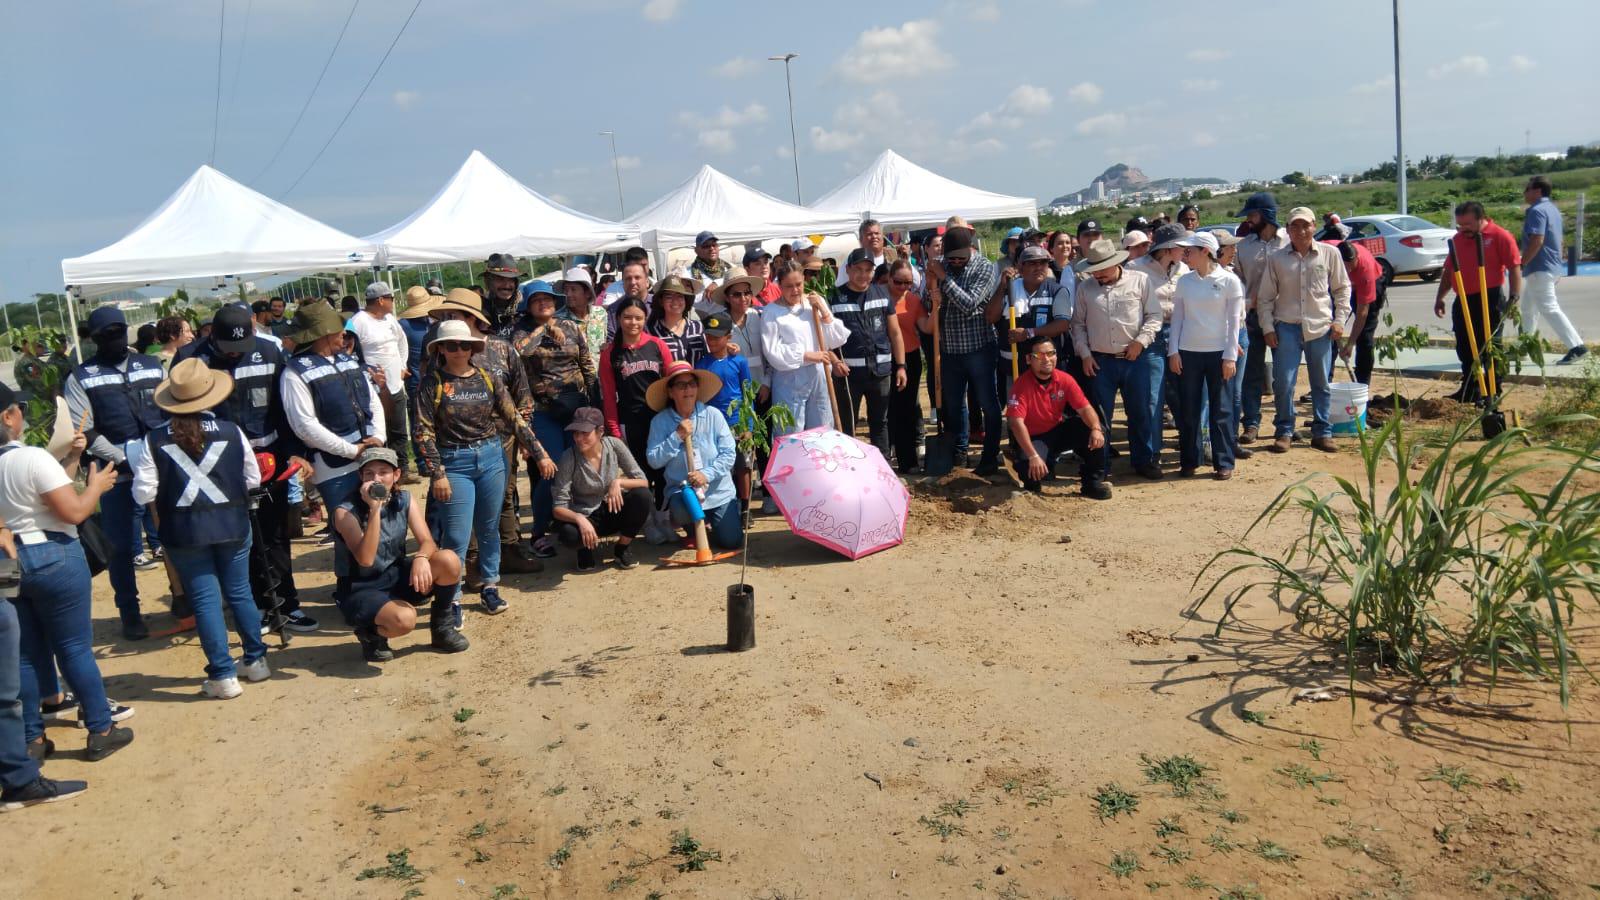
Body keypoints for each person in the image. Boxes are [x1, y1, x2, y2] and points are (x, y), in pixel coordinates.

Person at [0, 381, 135, 765]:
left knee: (25, 654)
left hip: (8, 558)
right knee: (74, 648)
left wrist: (72, 458)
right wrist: (97, 486)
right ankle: (101, 729)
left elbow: (42, 497)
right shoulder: (31, 458)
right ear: (9, 417)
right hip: (52, 554)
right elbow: (73, 511)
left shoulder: (20, 460)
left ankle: (33, 738)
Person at [131, 360, 270, 699]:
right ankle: (256, 660)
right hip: (233, 524)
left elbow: (143, 492)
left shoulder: (154, 439)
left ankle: (222, 675)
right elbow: (252, 478)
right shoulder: (231, 430)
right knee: (240, 591)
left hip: (184, 532)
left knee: (206, 600)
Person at [176, 305, 317, 634]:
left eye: (243, 347)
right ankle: (257, 606)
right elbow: (182, 415)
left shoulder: (270, 350)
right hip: (220, 463)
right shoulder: (190, 359)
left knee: (277, 532)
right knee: (240, 537)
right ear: (212, 336)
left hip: (269, 455)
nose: (236, 354)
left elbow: (286, 408)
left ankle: (287, 603)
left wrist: (295, 453)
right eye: (229, 349)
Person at [415, 321, 548, 617]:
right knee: (457, 535)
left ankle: (490, 585)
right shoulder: (432, 382)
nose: (459, 351)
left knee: (489, 529)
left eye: (465, 345)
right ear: (441, 349)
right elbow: (423, 430)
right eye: (451, 345)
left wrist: (540, 453)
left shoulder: (487, 377)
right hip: (454, 463)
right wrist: (437, 473)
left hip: (491, 457)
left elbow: (513, 417)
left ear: (473, 347)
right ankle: (452, 597)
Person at [64, 307, 167, 640]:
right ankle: (130, 612)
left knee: (176, 537)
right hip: (115, 476)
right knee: (121, 548)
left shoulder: (152, 366)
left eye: (119, 331)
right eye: (107, 335)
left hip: (161, 468)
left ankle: (187, 601)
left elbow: (171, 408)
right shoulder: (82, 376)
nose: (115, 339)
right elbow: (86, 430)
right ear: (94, 339)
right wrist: (127, 457)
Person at [280, 300, 386, 618]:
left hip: (370, 454)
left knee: (375, 520)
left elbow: (373, 401)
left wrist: (377, 438)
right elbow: (304, 425)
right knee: (347, 527)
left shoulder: (349, 361)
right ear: (323, 333)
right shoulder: (294, 373)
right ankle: (350, 589)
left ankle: (376, 584)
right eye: (338, 329)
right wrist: (351, 450)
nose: (345, 333)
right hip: (335, 464)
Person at [430, 289, 541, 575]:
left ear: (471, 318)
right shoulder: (439, 353)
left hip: (502, 439)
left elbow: (523, 396)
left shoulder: (502, 348)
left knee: (503, 498)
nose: (446, 319)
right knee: (466, 503)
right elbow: (427, 407)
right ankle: (472, 563)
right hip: (456, 444)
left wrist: (523, 436)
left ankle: (508, 551)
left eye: (452, 315)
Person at [333, 447, 465, 661]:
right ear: (361, 477)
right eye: (369, 473)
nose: (376, 478)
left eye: (383, 472)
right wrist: (374, 509)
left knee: (448, 560)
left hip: (395, 574)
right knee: (405, 619)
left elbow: (427, 541)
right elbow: (365, 560)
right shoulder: (345, 512)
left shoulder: (404, 499)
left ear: (396, 475)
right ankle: (370, 635)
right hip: (361, 586)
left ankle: (442, 628)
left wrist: (421, 558)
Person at [509, 281, 593, 561]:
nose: (543, 303)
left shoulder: (572, 327)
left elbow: (586, 363)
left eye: (547, 299)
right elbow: (519, 352)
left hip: (576, 408)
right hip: (544, 412)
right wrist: (544, 329)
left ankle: (575, 522)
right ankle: (539, 533)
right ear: (529, 305)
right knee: (551, 468)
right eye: (537, 300)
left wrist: (594, 400)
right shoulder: (521, 331)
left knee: (579, 466)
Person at [1260, 207, 1352, 452]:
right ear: (1288, 229)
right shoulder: (1277, 259)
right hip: (1287, 327)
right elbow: (1265, 297)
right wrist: (1267, 327)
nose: (1300, 231)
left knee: (1321, 383)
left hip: (1320, 327)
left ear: (1313, 226)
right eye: (1295, 226)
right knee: (1283, 383)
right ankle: (1284, 431)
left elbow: (1342, 289)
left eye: (1305, 225)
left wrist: (1340, 320)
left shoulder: (1329, 254)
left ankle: (1322, 431)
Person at [1070, 239, 1163, 480]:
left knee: (1140, 412)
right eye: (1094, 270)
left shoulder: (1140, 281)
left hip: (1135, 358)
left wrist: (1140, 342)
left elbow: (1154, 316)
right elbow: (1077, 325)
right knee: (1101, 417)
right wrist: (1085, 354)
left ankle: (1143, 461)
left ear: (1115, 263)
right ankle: (1101, 466)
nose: (1097, 274)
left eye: (1101, 269)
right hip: (1100, 361)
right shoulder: (1085, 289)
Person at [924, 227, 1002, 475]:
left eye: (960, 258)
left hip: (979, 347)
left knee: (988, 404)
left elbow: (969, 303)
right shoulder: (940, 265)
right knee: (953, 406)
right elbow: (931, 305)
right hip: (949, 350)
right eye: (951, 258)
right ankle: (958, 454)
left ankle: (989, 458)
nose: (955, 262)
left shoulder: (985, 267)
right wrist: (931, 288)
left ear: (971, 249)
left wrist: (944, 279)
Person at [1169, 232, 1245, 479]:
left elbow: (1235, 322)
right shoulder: (1185, 281)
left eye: (1189, 251)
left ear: (1205, 251)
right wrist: (1173, 351)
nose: (1185, 255)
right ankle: (1190, 460)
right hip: (1189, 352)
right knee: (1189, 409)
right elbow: (1177, 318)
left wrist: (1230, 356)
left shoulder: (1229, 280)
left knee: (1221, 410)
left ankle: (1224, 461)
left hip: (1219, 353)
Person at [646, 361, 740, 551]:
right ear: (671, 392)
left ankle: (713, 523)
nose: (687, 390)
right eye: (681, 385)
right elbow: (653, 460)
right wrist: (677, 436)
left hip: (718, 492)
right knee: (681, 506)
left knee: (731, 541)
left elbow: (729, 454)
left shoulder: (713, 415)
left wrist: (706, 474)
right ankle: (692, 530)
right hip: (683, 493)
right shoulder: (660, 422)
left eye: (692, 384)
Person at [1006, 336, 1109, 497]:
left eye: (1050, 353)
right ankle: (1032, 486)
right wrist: (1033, 456)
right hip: (1034, 437)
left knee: (1094, 431)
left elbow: (1085, 408)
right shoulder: (1021, 386)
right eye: (1039, 355)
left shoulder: (1065, 379)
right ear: (1028, 359)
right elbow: (1015, 423)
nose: (1046, 359)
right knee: (1029, 465)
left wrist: (1096, 428)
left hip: (1058, 429)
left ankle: (1092, 482)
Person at [551, 408, 652, 570]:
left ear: (600, 432)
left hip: (613, 509)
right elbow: (558, 507)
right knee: (568, 535)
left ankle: (622, 547)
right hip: (587, 515)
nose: (579, 438)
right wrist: (579, 518)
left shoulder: (614, 445)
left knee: (643, 496)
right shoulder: (568, 457)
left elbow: (643, 481)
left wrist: (618, 482)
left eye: (585, 433)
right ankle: (585, 549)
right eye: (576, 433)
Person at [830, 248, 907, 457]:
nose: (863, 275)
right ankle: (852, 471)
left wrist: (900, 366)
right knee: (848, 426)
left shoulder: (882, 294)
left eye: (868, 270)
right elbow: (827, 341)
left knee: (880, 423)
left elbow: (895, 333)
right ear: (848, 270)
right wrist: (835, 362)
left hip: (880, 373)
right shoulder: (834, 298)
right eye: (858, 269)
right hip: (848, 377)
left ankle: (883, 470)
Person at [600, 297, 675, 508]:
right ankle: (647, 518)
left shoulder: (657, 345)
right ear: (618, 318)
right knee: (639, 471)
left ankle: (663, 514)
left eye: (638, 318)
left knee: (662, 469)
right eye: (627, 317)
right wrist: (614, 431)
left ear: (646, 318)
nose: (633, 323)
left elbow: (673, 382)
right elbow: (608, 395)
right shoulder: (610, 354)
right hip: (630, 421)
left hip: (660, 417)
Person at [761, 260, 851, 436]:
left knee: (821, 429)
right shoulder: (771, 312)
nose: (795, 290)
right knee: (791, 431)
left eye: (798, 284)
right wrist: (806, 356)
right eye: (789, 286)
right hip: (789, 378)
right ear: (779, 285)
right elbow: (772, 352)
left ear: (804, 280)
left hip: (819, 375)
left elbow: (835, 339)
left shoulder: (813, 303)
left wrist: (824, 311)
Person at [1128, 224, 1192, 467]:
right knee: (1153, 396)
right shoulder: (1135, 269)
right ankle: (1150, 454)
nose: (1185, 250)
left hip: (1179, 334)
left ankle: (1190, 446)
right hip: (1150, 335)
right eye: (1181, 246)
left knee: (1183, 393)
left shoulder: (1183, 268)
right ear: (1168, 248)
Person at [1233, 191, 1289, 445]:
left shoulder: (1288, 242)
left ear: (1267, 214)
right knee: (1251, 374)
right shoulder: (1243, 247)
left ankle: (1284, 426)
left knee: (1283, 376)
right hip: (1253, 318)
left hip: (1283, 317)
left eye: (1253, 214)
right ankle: (1251, 424)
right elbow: (1238, 282)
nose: (1249, 220)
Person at [991, 245, 1074, 412]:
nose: (1038, 268)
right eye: (1032, 264)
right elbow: (990, 317)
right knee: (1018, 411)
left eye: (1043, 263)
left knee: (1047, 411)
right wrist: (1002, 287)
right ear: (1020, 267)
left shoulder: (1057, 291)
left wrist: (1029, 333)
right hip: (1014, 365)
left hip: (1046, 366)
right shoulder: (1009, 289)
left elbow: (1063, 324)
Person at [349, 282, 412, 480]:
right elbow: (348, 350)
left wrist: (402, 365)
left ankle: (401, 471)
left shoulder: (390, 319)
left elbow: (402, 341)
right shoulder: (357, 322)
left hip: (396, 385)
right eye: (391, 298)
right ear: (380, 300)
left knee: (399, 431)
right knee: (379, 433)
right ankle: (380, 473)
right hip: (374, 390)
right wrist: (366, 375)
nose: (393, 302)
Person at [1520, 175, 1585, 365]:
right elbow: (1559, 240)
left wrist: (1523, 261)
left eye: (1528, 188)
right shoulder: (1552, 209)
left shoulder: (1536, 211)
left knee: (1548, 307)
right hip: (1548, 266)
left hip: (1539, 266)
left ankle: (1576, 346)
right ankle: (1524, 347)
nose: (1525, 192)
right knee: (1528, 309)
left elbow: (1537, 239)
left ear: (1538, 191)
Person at [696, 313, 753, 508]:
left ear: (729, 336)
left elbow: (747, 394)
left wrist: (749, 426)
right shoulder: (702, 364)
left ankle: (745, 507)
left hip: (738, 422)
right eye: (709, 336)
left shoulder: (740, 362)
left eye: (717, 337)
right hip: (714, 426)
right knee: (720, 466)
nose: (711, 341)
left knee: (743, 466)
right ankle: (725, 504)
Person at [885, 260, 926, 475]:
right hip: (884, 358)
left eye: (908, 283)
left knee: (907, 410)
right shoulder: (879, 297)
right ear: (889, 279)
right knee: (886, 409)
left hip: (909, 358)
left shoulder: (913, 301)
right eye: (898, 282)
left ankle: (908, 459)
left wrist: (937, 308)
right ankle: (885, 454)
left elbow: (926, 327)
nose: (903, 287)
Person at [1337, 240, 1386, 386]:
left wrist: (1350, 343)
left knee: (1364, 337)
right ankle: (1324, 382)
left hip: (1371, 283)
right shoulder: (1328, 252)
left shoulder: (1365, 270)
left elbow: (1362, 312)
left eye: (1352, 267)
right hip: (1342, 288)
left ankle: (1362, 384)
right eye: (1346, 268)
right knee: (1331, 332)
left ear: (1356, 258)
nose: (1349, 270)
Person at [646, 275, 707, 366]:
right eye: (669, 297)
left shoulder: (698, 327)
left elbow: (709, 355)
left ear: (686, 300)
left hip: (698, 379)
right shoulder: (651, 331)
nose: (675, 301)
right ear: (661, 302)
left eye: (680, 296)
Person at [556, 268, 610, 363]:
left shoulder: (600, 313)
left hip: (601, 373)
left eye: (573, 289)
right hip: (575, 376)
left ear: (588, 293)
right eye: (566, 289)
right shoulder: (557, 320)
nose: (568, 294)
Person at [607, 260, 654, 341]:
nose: (632, 282)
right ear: (623, 283)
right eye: (628, 278)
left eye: (637, 277)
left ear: (647, 282)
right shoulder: (613, 309)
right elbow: (612, 341)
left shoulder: (659, 304)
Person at [479, 252, 522, 332]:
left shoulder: (525, 306)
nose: (506, 285)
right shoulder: (480, 308)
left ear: (516, 283)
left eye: (511, 279)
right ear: (489, 282)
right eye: (500, 279)